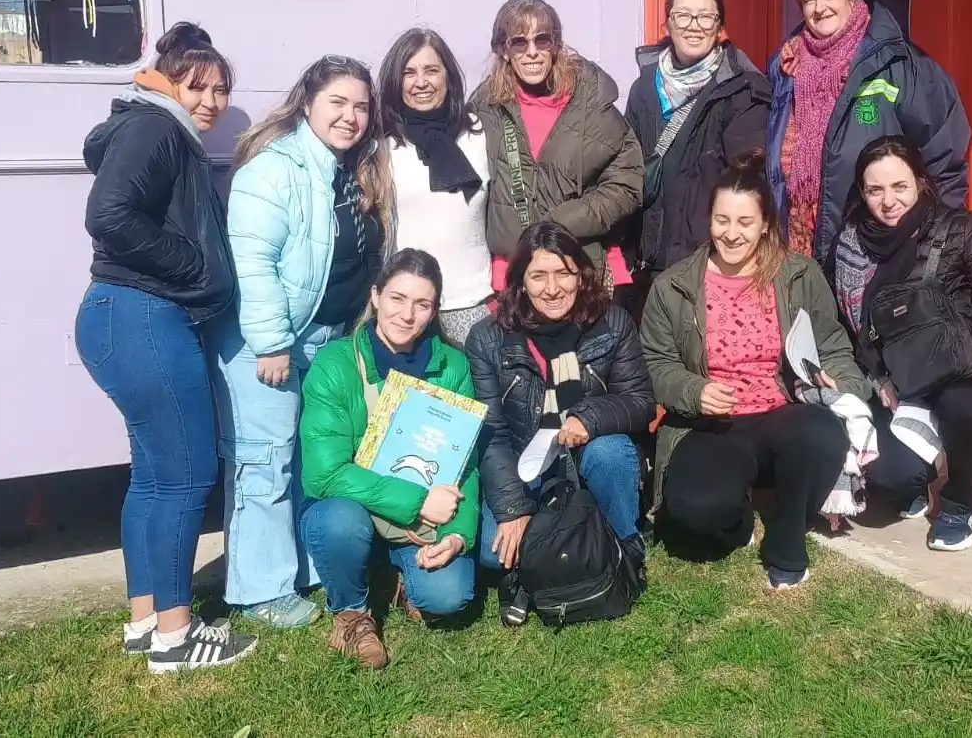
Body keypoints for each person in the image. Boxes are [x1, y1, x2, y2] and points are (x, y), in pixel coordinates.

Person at [74, 22, 257, 671]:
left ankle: (145, 619)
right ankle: (176, 641)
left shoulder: (154, 128)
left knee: (153, 476)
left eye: (220, 89)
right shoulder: (155, 127)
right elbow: (108, 215)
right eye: (197, 85)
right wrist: (195, 267)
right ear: (168, 82)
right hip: (144, 316)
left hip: (122, 317)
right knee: (186, 475)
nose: (210, 100)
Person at [212, 56, 390, 627]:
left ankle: (305, 570)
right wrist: (270, 342)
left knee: (307, 455)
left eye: (361, 106)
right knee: (264, 462)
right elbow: (254, 261)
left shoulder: (347, 168)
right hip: (269, 342)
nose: (351, 116)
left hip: (323, 340)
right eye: (338, 103)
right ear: (307, 103)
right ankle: (260, 589)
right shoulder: (274, 169)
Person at [639, 150, 869, 591]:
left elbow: (835, 346)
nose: (731, 233)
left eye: (745, 222)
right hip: (711, 424)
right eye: (722, 220)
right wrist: (693, 389)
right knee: (693, 516)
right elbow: (653, 363)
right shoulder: (674, 286)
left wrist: (841, 381)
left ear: (765, 223)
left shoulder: (798, 275)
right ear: (709, 220)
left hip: (783, 414)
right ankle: (740, 515)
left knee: (820, 431)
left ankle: (787, 539)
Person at [829, 136, 972, 551]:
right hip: (900, 380)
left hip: (965, 369)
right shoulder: (850, 242)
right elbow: (855, 327)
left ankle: (961, 500)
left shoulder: (963, 231)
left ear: (920, 182)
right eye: (876, 190)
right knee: (886, 480)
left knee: (967, 411)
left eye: (900, 187)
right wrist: (876, 377)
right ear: (862, 192)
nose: (889, 201)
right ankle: (923, 474)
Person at [465, 222, 654, 624]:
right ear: (520, 281)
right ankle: (548, 551)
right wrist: (513, 507)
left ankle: (623, 547)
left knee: (611, 452)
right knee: (489, 550)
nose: (552, 289)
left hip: (588, 456)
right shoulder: (487, 339)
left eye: (563, 273)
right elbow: (492, 434)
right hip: (525, 462)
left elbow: (639, 401)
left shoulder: (613, 322)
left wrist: (590, 417)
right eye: (538, 276)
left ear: (581, 274)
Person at [299, 250, 480, 668]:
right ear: (376, 296)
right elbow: (324, 476)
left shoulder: (452, 365)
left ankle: (394, 576)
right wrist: (418, 502)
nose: (407, 315)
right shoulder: (335, 363)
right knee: (338, 522)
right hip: (351, 507)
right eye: (397, 299)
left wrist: (457, 535)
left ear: (434, 311)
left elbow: (465, 461)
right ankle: (352, 612)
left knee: (450, 598)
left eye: (422, 304)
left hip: (421, 521)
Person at [766, 0, 971, 262]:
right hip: (795, 247)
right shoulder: (786, 66)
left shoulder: (899, 63)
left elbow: (944, 153)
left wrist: (934, 237)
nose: (819, 8)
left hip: (876, 247)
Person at [471, 0, 643, 299]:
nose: (533, 52)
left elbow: (627, 182)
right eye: (519, 42)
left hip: (583, 263)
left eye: (543, 40)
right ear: (503, 49)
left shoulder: (591, 100)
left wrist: (561, 223)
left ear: (556, 44)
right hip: (515, 271)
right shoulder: (485, 108)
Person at [624, 0, 772, 286]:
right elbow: (627, 168)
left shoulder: (742, 90)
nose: (694, 25)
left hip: (709, 261)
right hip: (647, 258)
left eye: (706, 16)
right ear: (668, 24)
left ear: (719, 28)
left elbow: (745, 182)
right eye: (683, 15)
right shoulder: (644, 89)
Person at [379, 28, 492, 348]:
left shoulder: (479, 133)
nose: (421, 82)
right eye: (409, 72)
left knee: (475, 397)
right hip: (406, 309)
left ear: (449, 76)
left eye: (431, 70)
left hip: (472, 304)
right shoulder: (382, 145)